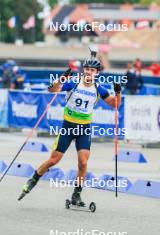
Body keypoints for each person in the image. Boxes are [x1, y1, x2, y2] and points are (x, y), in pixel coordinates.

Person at [19, 52, 121, 206]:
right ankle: (33, 179)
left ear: (97, 73)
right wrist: (61, 79)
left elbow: (115, 104)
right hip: (68, 127)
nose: (88, 72)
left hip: (84, 129)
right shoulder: (73, 82)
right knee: (54, 160)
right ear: (83, 70)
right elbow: (52, 90)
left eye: (92, 70)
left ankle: (76, 194)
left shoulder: (99, 89)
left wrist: (118, 92)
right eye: (87, 69)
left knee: (83, 163)